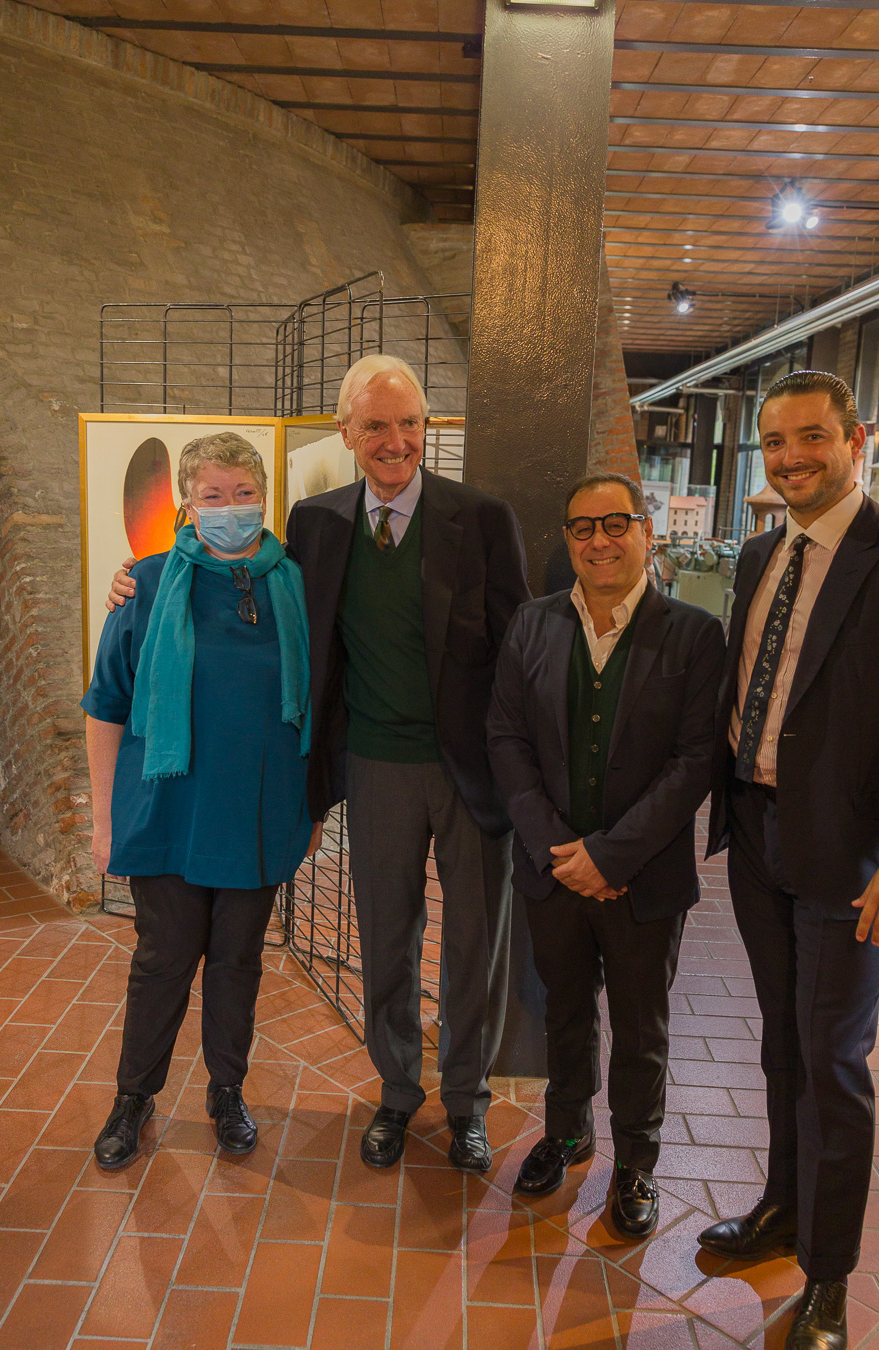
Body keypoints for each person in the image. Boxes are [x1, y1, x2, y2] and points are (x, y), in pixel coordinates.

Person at [109, 356, 531, 1174]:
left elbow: (519, 652)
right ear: (346, 434)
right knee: (386, 942)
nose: (395, 440)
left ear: (427, 428)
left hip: (469, 773)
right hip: (372, 765)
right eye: (375, 425)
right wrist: (134, 579)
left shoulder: (480, 518)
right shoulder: (318, 524)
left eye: (409, 423)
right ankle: (398, 1093)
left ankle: (468, 1101)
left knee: (476, 945)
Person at [488, 472, 724, 1238]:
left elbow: (694, 761)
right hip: (553, 873)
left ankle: (637, 1163)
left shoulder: (692, 634)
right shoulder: (532, 625)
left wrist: (610, 858)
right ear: (567, 539)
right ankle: (566, 1131)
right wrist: (558, 849)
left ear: (646, 532)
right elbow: (506, 738)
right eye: (584, 528)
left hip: (643, 880)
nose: (600, 540)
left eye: (616, 524)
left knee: (641, 1024)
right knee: (563, 1009)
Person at [698, 371, 879, 1350]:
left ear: (856, 437)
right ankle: (781, 1207)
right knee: (779, 1042)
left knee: (832, 1064)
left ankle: (828, 1281)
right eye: (774, 443)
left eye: (812, 437)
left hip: (849, 857)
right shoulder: (760, 553)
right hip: (758, 836)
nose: (792, 457)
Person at [85, 432, 319, 1170]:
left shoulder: (296, 587)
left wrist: (309, 808)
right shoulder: (147, 585)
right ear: (188, 504)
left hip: (257, 810)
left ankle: (227, 1090)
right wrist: (102, 819)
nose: (229, 509)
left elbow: (318, 704)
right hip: (168, 814)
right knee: (163, 958)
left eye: (243, 494)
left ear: (263, 497)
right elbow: (105, 705)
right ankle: (134, 1095)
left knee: (239, 961)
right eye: (212, 497)